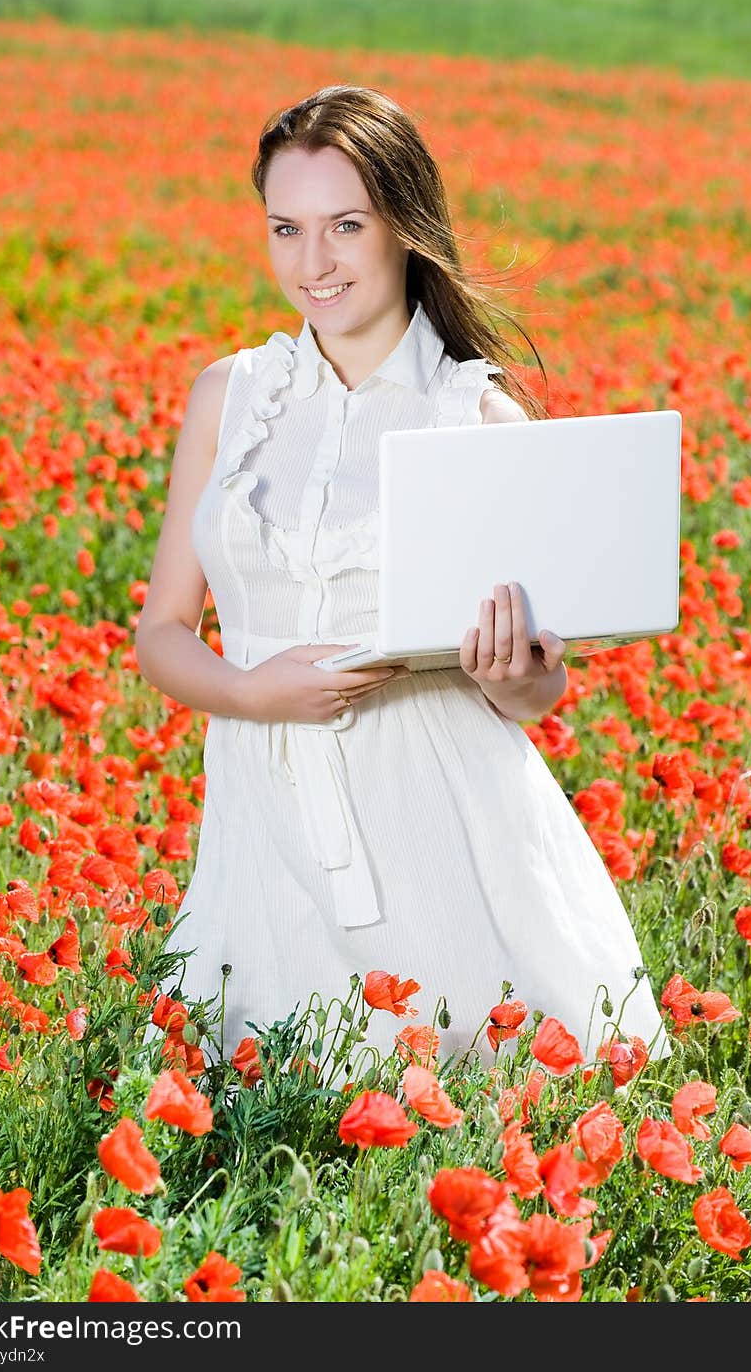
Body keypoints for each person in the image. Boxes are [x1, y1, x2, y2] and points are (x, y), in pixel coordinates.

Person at [136, 85, 671, 1073]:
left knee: (462, 1099)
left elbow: (533, 691)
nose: (313, 263)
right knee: (258, 1106)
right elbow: (162, 631)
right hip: (264, 809)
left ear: (405, 225)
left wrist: (515, 670)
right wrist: (254, 690)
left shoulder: (473, 414)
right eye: (285, 228)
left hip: (435, 811)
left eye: (346, 226)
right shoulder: (230, 396)